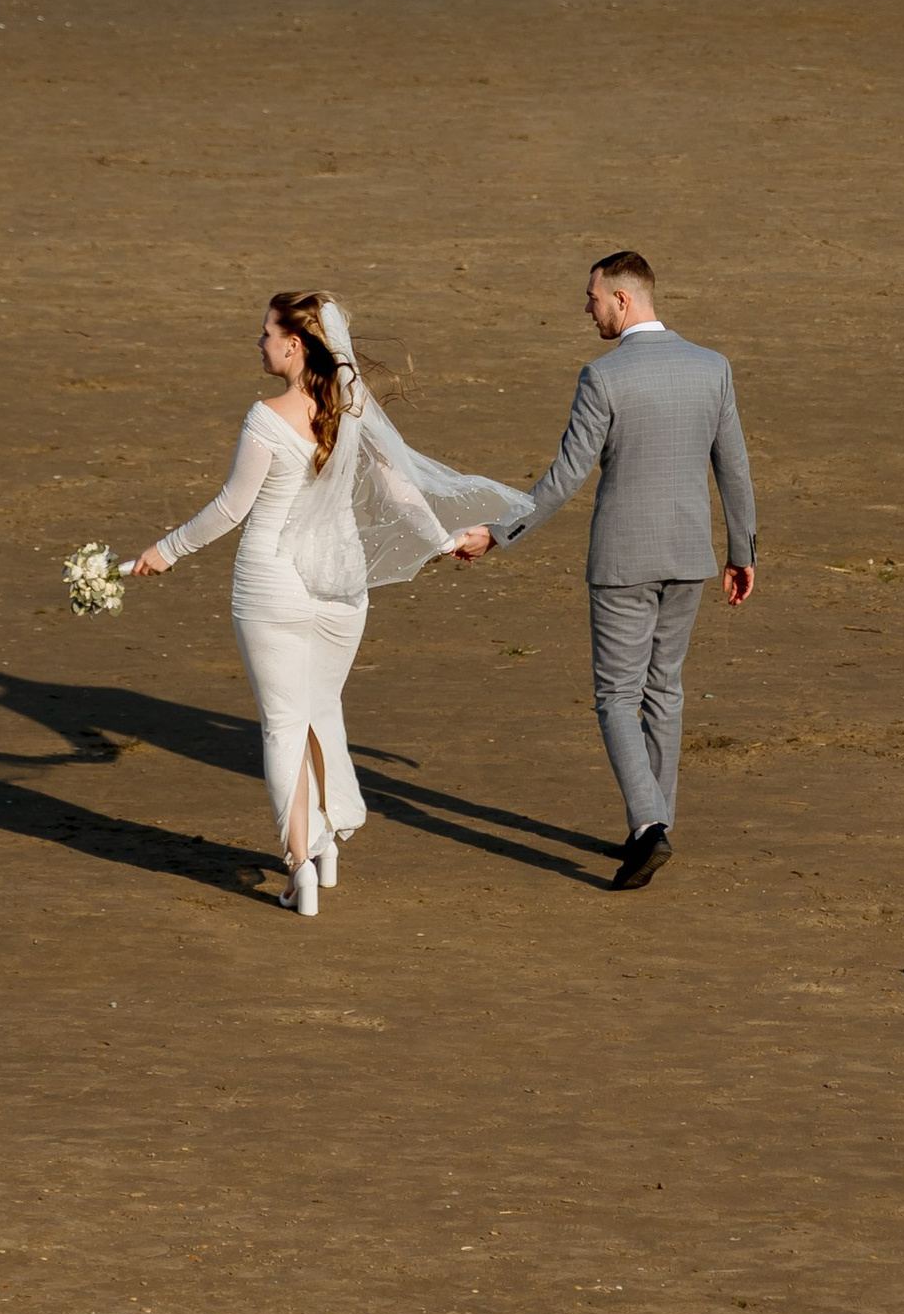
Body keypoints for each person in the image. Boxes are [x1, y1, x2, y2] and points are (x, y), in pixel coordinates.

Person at [128, 292, 523, 916]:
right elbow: (397, 491)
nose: (257, 343)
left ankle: (299, 867)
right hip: (341, 591)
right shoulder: (352, 409)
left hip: (273, 586)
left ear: (293, 344)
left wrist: (166, 550)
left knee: (284, 725)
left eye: (264, 334)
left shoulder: (267, 417)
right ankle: (327, 847)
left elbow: (232, 508)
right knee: (321, 711)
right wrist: (445, 540)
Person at [454, 249, 756, 892]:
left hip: (623, 562)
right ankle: (654, 824)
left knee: (618, 696)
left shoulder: (604, 377)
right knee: (665, 691)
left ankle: (649, 826)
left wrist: (497, 532)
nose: (586, 310)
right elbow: (734, 466)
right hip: (688, 560)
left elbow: (565, 478)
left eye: (591, 298)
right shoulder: (712, 368)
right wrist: (741, 553)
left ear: (623, 298)